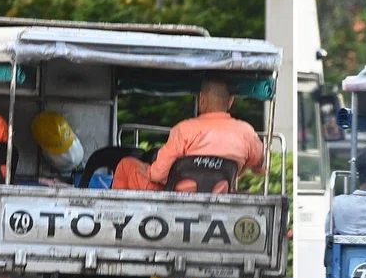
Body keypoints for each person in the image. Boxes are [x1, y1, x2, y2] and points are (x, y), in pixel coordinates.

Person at [111, 79, 264, 193]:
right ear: (230, 102)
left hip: (175, 197)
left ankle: (117, 220)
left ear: (201, 100)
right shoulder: (246, 132)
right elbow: (260, 167)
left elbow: (158, 175)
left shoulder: (184, 129)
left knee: (126, 165)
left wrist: (149, 170)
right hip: (221, 196)